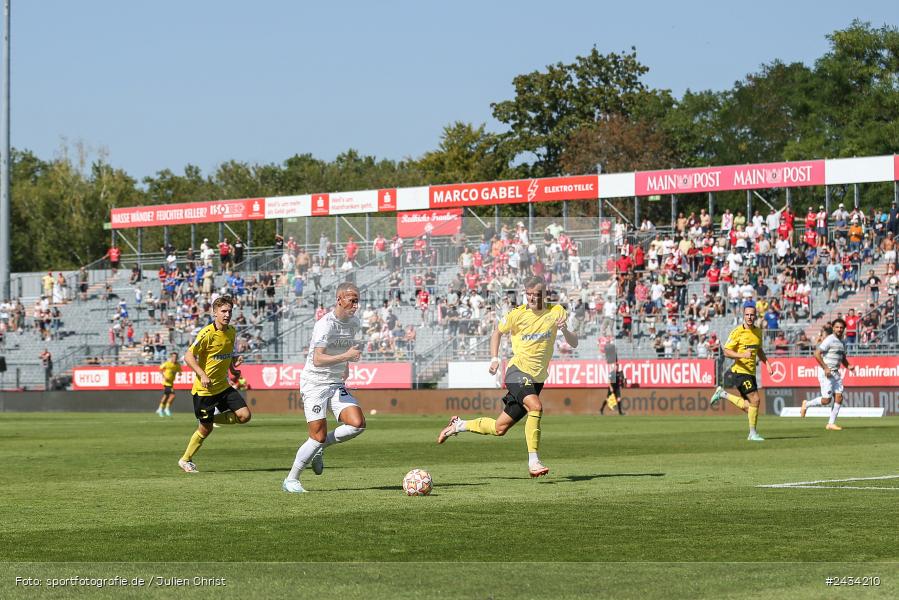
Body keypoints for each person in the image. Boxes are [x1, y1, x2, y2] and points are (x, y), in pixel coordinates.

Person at [437, 276, 578, 477]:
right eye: (528, 294)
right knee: (535, 406)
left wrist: (564, 330)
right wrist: (495, 358)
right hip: (516, 371)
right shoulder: (517, 314)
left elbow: (573, 343)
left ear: (544, 294)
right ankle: (534, 462)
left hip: (536, 380)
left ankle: (458, 425)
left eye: (536, 295)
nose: (531, 299)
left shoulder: (556, 312)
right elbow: (497, 333)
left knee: (499, 428)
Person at [283, 282, 366, 493]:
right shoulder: (325, 324)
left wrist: (347, 363)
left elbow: (349, 347)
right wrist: (346, 356)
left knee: (357, 424)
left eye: (357, 301)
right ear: (339, 300)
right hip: (315, 384)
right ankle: (291, 480)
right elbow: (318, 359)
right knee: (317, 436)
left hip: (336, 383)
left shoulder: (355, 323)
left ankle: (320, 449)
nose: (355, 305)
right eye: (351, 300)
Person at [177, 296, 250, 473]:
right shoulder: (206, 333)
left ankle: (208, 419)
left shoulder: (231, 331)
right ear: (214, 312)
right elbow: (188, 356)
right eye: (223, 311)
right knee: (205, 429)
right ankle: (185, 459)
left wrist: (233, 367)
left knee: (244, 416)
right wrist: (202, 374)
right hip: (205, 390)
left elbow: (226, 354)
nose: (227, 315)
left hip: (223, 386)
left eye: (229, 311)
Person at [710, 303, 774, 441]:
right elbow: (726, 351)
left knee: (749, 407)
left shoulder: (758, 332)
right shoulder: (737, 332)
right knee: (756, 399)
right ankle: (752, 433)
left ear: (755, 315)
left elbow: (759, 350)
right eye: (747, 315)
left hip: (750, 372)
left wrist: (767, 363)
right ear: (743, 316)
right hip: (740, 371)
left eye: (752, 314)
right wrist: (742, 355)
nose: (750, 317)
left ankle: (722, 394)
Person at [800, 318, 857, 431]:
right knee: (826, 400)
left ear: (844, 329)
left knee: (839, 397)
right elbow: (816, 353)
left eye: (841, 327)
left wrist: (849, 366)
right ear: (833, 328)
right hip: (826, 372)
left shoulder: (843, 341)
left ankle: (831, 423)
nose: (839, 329)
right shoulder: (829, 340)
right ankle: (806, 404)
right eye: (837, 327)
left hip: (836, 372)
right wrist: (825, 368)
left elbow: (842, 357)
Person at [156, 352, 181, 417]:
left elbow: (180, 371)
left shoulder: (177, 365)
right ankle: (166, 408)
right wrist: (164, 377)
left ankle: (160, 409)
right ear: (171, 357)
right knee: (172, 395)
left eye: (176, 357)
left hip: (171, 383)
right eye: (173, 357)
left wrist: (179, 373)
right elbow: (160, 368)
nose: (175, 358)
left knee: (166, 396)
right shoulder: (167, 363)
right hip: (166, 383)